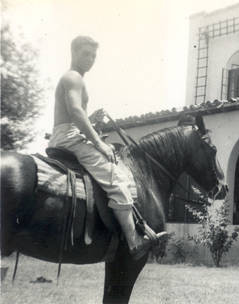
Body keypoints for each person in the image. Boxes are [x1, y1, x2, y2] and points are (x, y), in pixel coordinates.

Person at [48, 35, 160, 260]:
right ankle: (133, 241)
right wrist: (99, 143)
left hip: (65, 134)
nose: (90, 59)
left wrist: (91, 119)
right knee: (116, 178)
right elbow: (75, 112)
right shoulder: (74, 77)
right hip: (69, 138)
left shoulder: (72, 78)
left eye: (93, 55)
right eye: (85, 54)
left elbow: (76, 114)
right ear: (73, 53)